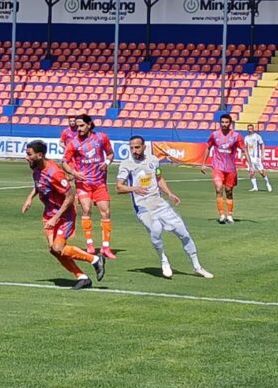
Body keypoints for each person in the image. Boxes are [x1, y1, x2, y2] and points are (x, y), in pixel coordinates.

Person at [116, 136, 213, 279]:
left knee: (183, 232)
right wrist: (134, 188)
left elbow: (159, 178)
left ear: (144, 147)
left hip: (159, 203)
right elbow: (119, 187)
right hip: (143, 207)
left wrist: (169, 193)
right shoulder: (126, 164)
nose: (134, 150)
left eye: (137, 147)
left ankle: (197, 267)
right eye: (131, 148)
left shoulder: (153, 160)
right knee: (156, 230)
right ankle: (163, 260)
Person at [22, 140, 106, 290]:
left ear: (39, 155)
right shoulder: (36, 168)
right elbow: (38, 184)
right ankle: (82, 277)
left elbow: (70, 196)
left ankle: (94, 259)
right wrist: (29, 198)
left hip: (64, 215)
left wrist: (55, 218)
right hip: (49, 213)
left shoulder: (54, 172)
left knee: (58, 247)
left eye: (29, 154)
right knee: (53, 250)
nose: (26, 157)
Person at [62, 114, 116, 258]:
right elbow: (64, 162)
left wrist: (107, 163)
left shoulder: (101, 138)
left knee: (106, 212)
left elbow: (110, 154)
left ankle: (106, 247)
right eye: (77, 126)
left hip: (100, 183)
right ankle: (90, 245)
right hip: (83, 184)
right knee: (86, 209)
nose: (78, 129)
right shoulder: (73, 143)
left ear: (89, 124)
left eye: (81, 126)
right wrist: (74, 173)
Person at [200, 113, 247, 224]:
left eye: (226, 122)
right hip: (218, 167)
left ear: (230, 123)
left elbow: (244, 150)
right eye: (222, 122)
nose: (224, 124)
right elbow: (208, 147)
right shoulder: (214, 135)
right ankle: (221, 215)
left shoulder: (236, 136)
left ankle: (230, 215)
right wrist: (203, 163)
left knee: (229, 191)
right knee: (218, 188)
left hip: (230, 168)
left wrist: (251, 167)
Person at [244, 124, 272, 192]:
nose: (250, 130)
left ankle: (267, 183)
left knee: (261, 172)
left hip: (256, 157)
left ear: (253, 129)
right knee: (251, 172)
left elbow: (262, 144)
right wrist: (244, 155)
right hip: (250, 157)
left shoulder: (257, 136)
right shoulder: (246, 138)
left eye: (251, 128)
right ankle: (255, 187)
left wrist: (262, 154)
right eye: (249, 129)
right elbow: (245, 147)